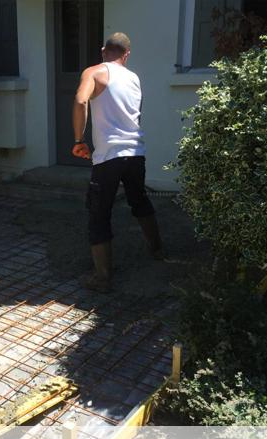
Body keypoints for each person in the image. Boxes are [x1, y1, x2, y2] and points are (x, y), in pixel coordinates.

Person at [72, 32, 163, 293]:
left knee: (99, 213)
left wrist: (79, 140)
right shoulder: (134, 78)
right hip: (135, 153)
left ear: (103, 50)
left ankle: (102, 278)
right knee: (139, 200)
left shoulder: (94, 72)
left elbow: (80, 100)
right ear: (127, 55)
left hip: (108, 157)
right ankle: (157, 251)